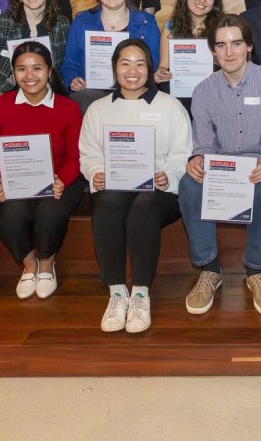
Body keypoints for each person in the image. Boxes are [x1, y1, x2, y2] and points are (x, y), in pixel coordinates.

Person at [178, 15, 261, 317]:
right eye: (221, 45)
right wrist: (198, 159)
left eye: (236, 43)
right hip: (221, 168)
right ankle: (209, 268)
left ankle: (256, 271)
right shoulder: (203, 90)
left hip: (258, 165)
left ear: (249, 46)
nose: (229, 52)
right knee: (189, 183)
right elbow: (203, 144)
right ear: (213, 51)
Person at [79, 39, 192, 333]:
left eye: (140, 64)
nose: (132, 71)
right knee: (107, 201)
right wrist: (96, 173)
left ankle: (141, 293)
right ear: (114, 67)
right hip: (115, 187)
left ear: (150, 68)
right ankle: (117, 292)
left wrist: (168, 175)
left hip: (159, 192)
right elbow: (89, 154)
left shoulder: (170, 106)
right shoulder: (98, 109)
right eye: (125, 63)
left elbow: (182, 153)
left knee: (144, 205)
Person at [0, 41, 84, 301]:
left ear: (49, 70)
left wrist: (61, 180)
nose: (29, 76)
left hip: (59, 180)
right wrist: (0, 182)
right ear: (13, 73)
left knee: (50, 211)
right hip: (15, 181)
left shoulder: (68, 108)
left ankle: (47, 265)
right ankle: (29, 266)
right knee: (9, 215)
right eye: (21, 69)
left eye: (37, 68)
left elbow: (75, 156)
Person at [61, 0, 161, 113]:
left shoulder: (147, 22)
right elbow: (70, 63)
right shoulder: (81, 22)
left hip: (135, 88)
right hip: (92, 91)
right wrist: (73, 79)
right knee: (80, 101)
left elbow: (154, 62)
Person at [154, 0, 221, 102]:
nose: (202, 0)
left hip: (212, 90)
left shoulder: (221, 28)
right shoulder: (171, 26)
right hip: (181, 89)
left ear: (214, 2)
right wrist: (160, 74)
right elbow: (163, 66)